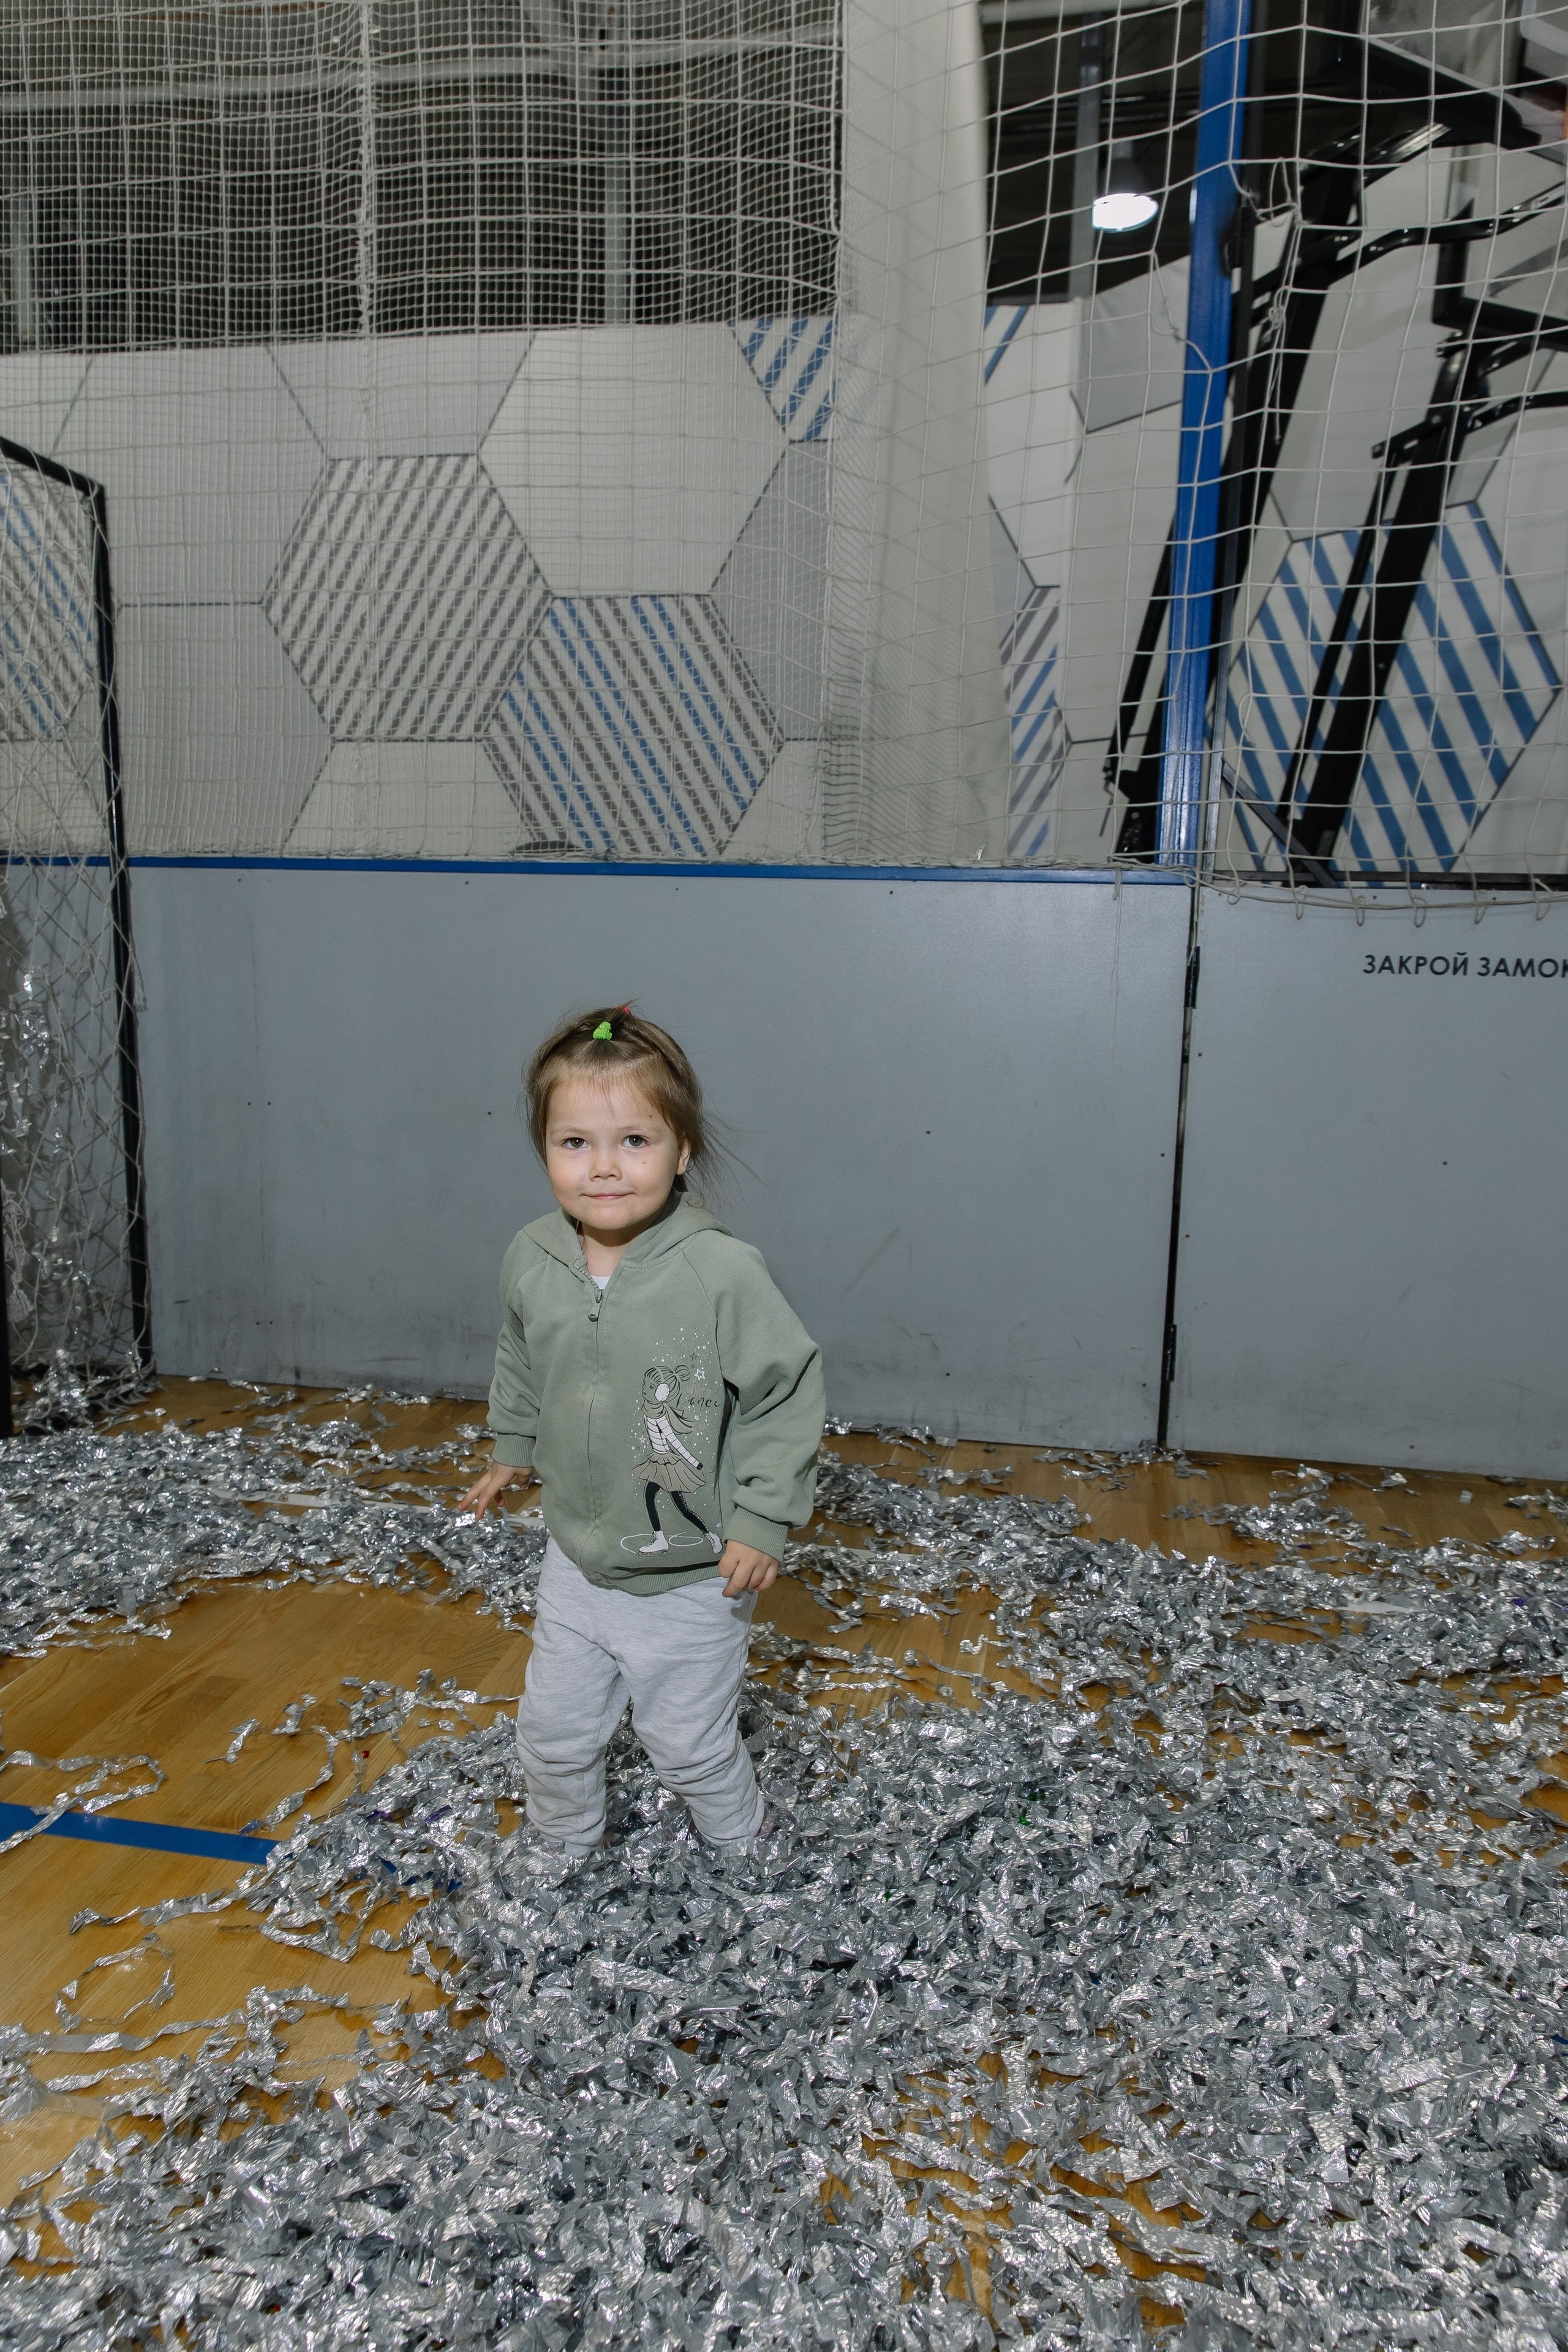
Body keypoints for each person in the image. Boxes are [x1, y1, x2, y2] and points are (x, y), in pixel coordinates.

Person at [459, 1006, 825, 1855]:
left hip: (692, 1576)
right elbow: (522, 1355)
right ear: (544, 1150)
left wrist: (763, 1519)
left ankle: (748, 1851)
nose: (604, 1169)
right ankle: (561, 1854)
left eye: (635, 1141)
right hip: (577, 1564)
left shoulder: (720, 1271)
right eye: (574, 1143)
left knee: (686, 1747)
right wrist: (511, 1449)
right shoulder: (534, 1256)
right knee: (552, 1736)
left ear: (682, 1150)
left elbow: (785, 1390)